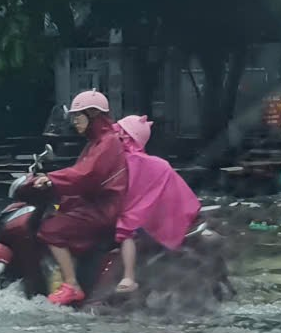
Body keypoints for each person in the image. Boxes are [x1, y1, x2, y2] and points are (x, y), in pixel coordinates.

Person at [32, 91, 129, 307]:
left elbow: (87, 175)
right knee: (58, 215)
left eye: (79, 116)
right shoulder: (95, 143)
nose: (75, 121)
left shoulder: (108, 142)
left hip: (101, 209)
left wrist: (52, 179)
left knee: (50, 229)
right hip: (93, 204)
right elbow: (80, 172)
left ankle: (71, 285)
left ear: (93, 114)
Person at [112, 115, 201, 295]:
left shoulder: (137, 162)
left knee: (126, 231)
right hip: (139, 212)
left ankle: (129, 276)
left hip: (136, 215)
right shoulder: (151, 163)